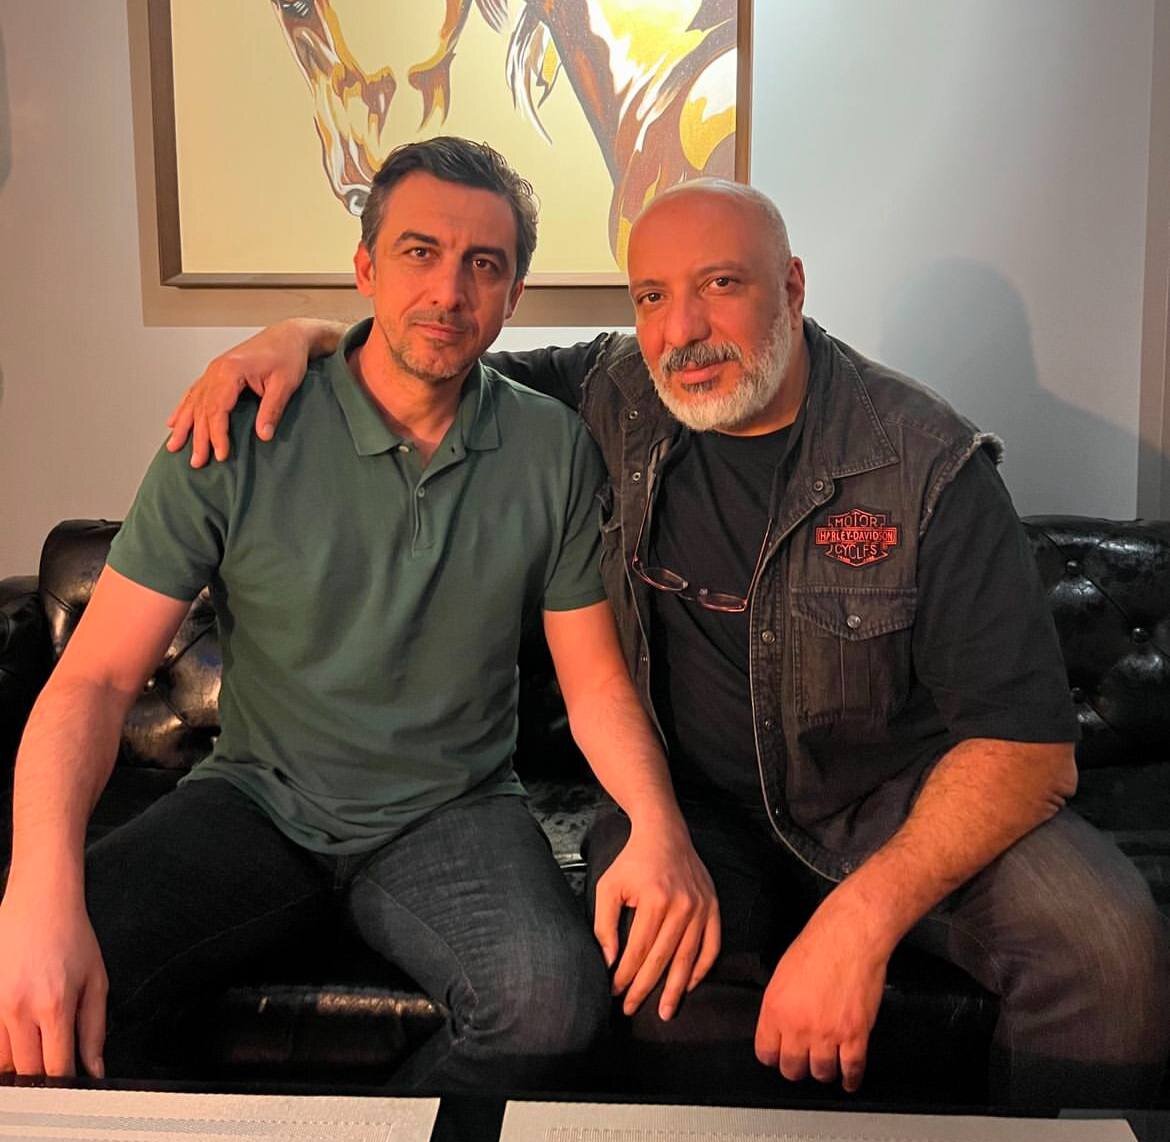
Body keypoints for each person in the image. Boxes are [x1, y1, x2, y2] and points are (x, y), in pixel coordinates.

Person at [165, 176, 1170, 1108]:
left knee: (1111, 953)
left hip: (890, 800)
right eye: (652, 296)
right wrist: (295, 337)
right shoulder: (615, 389)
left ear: (791, 286)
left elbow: (1028, 750)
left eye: (721, 285)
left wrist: (862, 918)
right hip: (689, 805)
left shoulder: (926, 461)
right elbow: (428, 357)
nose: (682, 330)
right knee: (658, 971)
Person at [0, 137, 719, 1088]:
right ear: (365, 267)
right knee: (38, 991)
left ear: (513, 295)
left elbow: (593, 685)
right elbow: (93, 680)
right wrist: (36, 888)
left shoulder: (551, 448)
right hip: (255, 802)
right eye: (420, 252)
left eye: (484, 265)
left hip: (455, 811)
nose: (449, 291)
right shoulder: (235, 428)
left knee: (552, 1007)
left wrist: (659, 825)